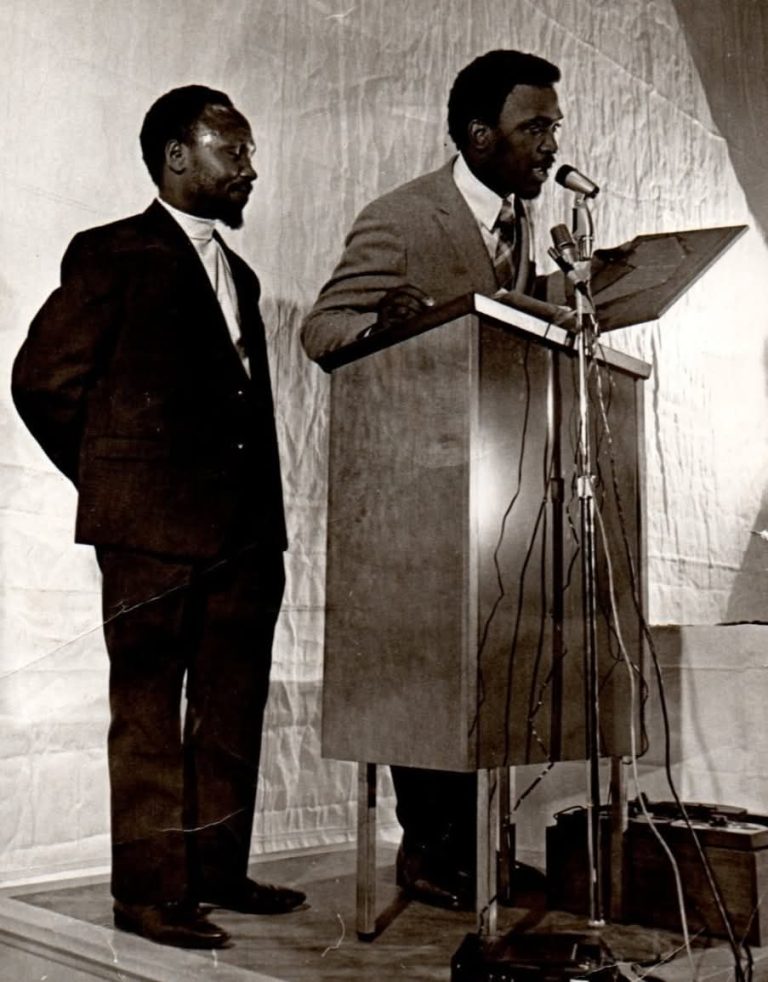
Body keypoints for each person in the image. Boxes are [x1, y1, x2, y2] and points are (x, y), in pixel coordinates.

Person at [12, 85, 305, 950]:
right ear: (177, 156)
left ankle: (215, 873)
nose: (250, 168)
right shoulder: (112, 253)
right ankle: (147, 894)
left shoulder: (240, 275)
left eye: (249, 153)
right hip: (151, 538)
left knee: (233, 705)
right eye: (233, 150)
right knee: (147, 711)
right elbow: (42, 382)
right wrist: (119, 484)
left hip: (246, 537)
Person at [301, 50, 563, 910]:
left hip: (495, 495)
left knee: (490, 671)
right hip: (417, 498)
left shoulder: (522, 221)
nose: (551, 144)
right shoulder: (404, 217)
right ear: (480, 135)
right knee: (429, 678)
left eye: (554, 126)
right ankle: (429, 853)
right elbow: (323, 328)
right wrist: (386, 319)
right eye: (534, 127)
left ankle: (477, 851)